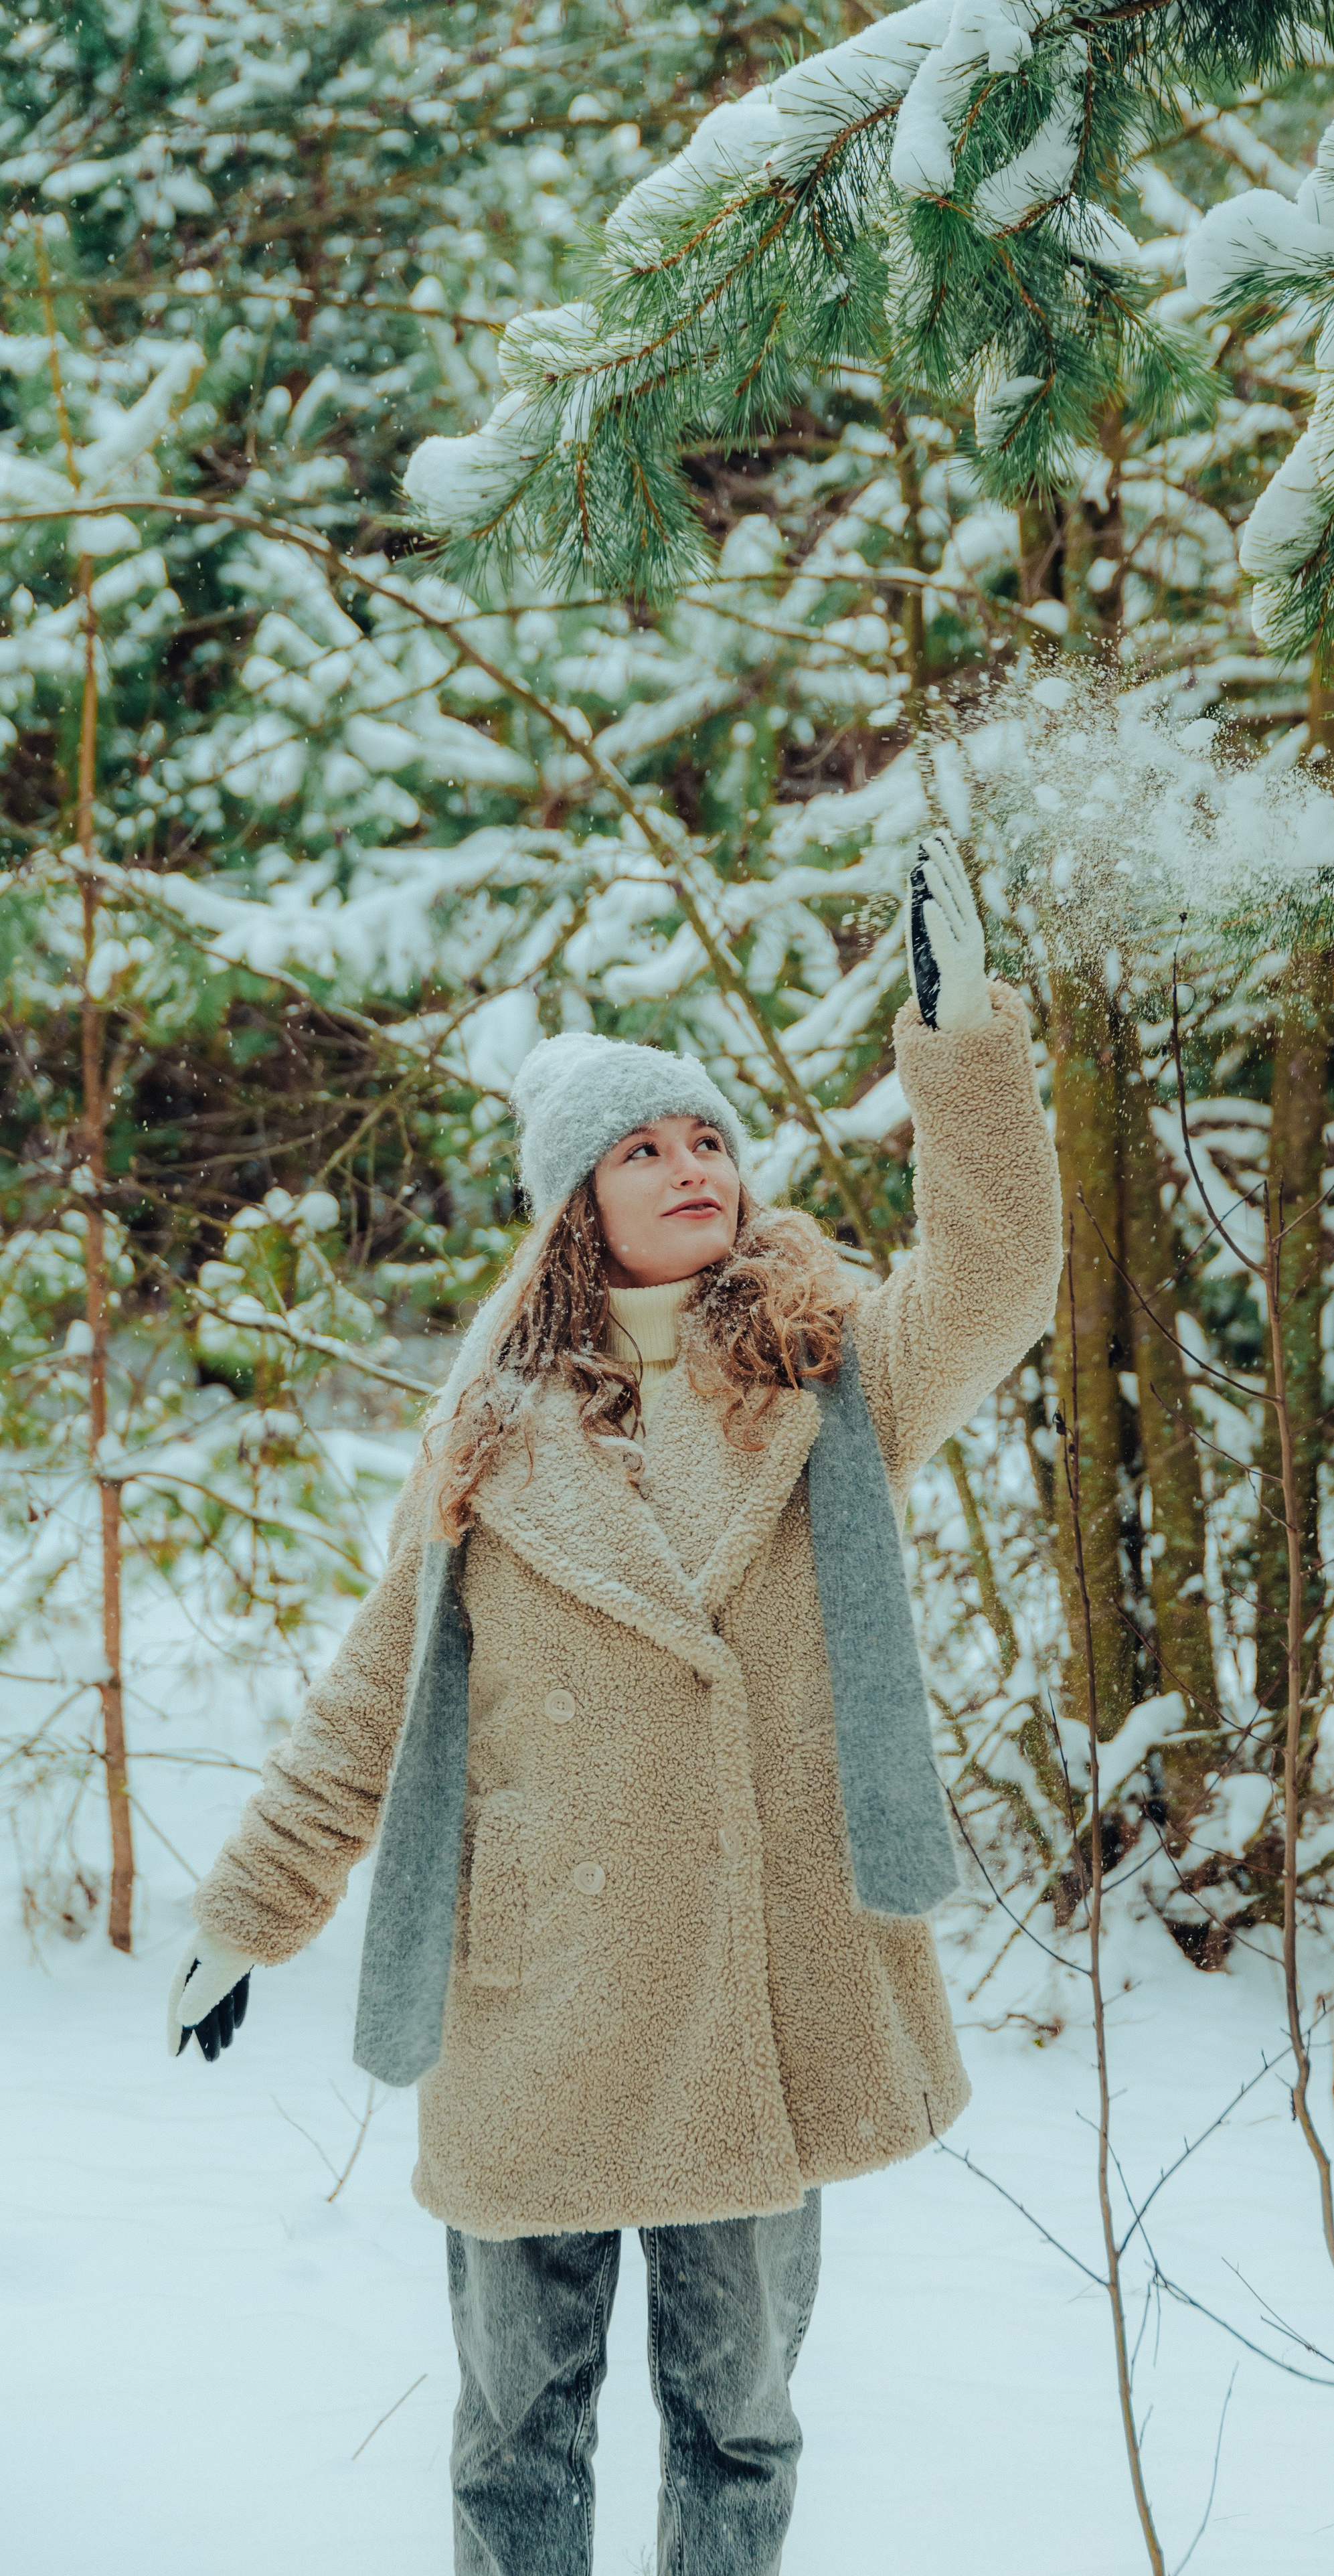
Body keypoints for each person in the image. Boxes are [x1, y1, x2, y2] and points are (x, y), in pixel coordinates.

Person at [166, 837, 1062, 2575]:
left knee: (738, 2430)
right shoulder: (491, 1437)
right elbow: (371, 1709)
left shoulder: (835, 1369)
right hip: (537, 2011)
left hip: (753, 1993)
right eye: (642, 1149)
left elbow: (1002, 1279)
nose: (690, 1166)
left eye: (710, 1137)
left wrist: (962, 1054)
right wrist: (246, 1917)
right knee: (517, 2439)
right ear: (574, 1200)